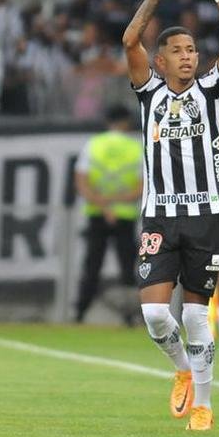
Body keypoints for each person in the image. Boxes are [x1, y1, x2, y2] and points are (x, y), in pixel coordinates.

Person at [123, 0, 219, 432]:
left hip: (206, 215)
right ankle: (182, 369)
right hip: (159, 215)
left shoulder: (213, 91)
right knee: (156, 314)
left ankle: (204, 405)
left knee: (196, 316)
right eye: (177, 51)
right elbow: (129, 40)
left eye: (192, 49)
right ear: (161, 61)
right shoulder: (149, 92)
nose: (188, 56)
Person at [73, 105, 143, 324]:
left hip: (98, 214)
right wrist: (116, 203)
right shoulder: (135, 147)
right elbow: (140, 187)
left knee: (92, 265)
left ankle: (79, 313)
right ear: (127, 122)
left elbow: (81, 182)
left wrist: (104, 205)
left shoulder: (93, 145)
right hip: (125, 217)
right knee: (127, 269)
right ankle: (130, 317)